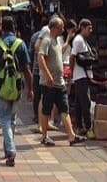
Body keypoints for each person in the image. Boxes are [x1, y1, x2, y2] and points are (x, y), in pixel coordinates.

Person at [0, 15, 33, 166]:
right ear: (13, 27)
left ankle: (11, 150)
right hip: (17, 87)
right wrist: (30, 89)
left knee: (5, 119)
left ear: (2, 28)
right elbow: (26, 69)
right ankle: (8, 150)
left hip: (1, 87)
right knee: (11, 119)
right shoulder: (21, 44)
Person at [37, 15, 86, 146]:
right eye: (61, 27)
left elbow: (61, 51)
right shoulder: (47, 40)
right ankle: (44, 136)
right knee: (46, 110)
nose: (63, 29)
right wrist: (48, 75)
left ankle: (71, 136)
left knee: (65, 109)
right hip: (49, 83)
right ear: (54, 28)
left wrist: (69, 38)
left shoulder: (58, 40)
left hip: (59, 83)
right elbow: (40, 58)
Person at [70, 19, 95, 137]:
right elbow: (72, 56)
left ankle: (79, 127)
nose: (91, 31)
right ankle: (88, 128)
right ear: (83, 28)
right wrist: (71, 72)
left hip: (84, 76)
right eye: (89, 28)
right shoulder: (78, 40)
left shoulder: (84, 41)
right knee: (85, 102)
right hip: (80, 76)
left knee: (79, 103)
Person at [28, 17, 49, 128]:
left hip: (36, 70)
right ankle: (45, 117)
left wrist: (31, 66)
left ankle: (37, 115)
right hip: (45, 70)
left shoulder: (34, 36)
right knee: (45, 94)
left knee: (37, 95)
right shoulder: (49, 35)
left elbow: (30, 52)